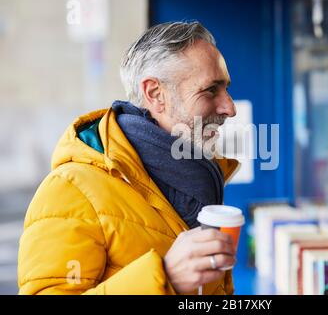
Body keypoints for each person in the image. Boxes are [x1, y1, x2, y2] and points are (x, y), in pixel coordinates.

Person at [17, 21, 240, 295]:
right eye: (210, 90)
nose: (230, 108)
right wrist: (164, 277)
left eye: (226, 89)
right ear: (156, 94)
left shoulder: (200, 177)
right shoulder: (71, 189)